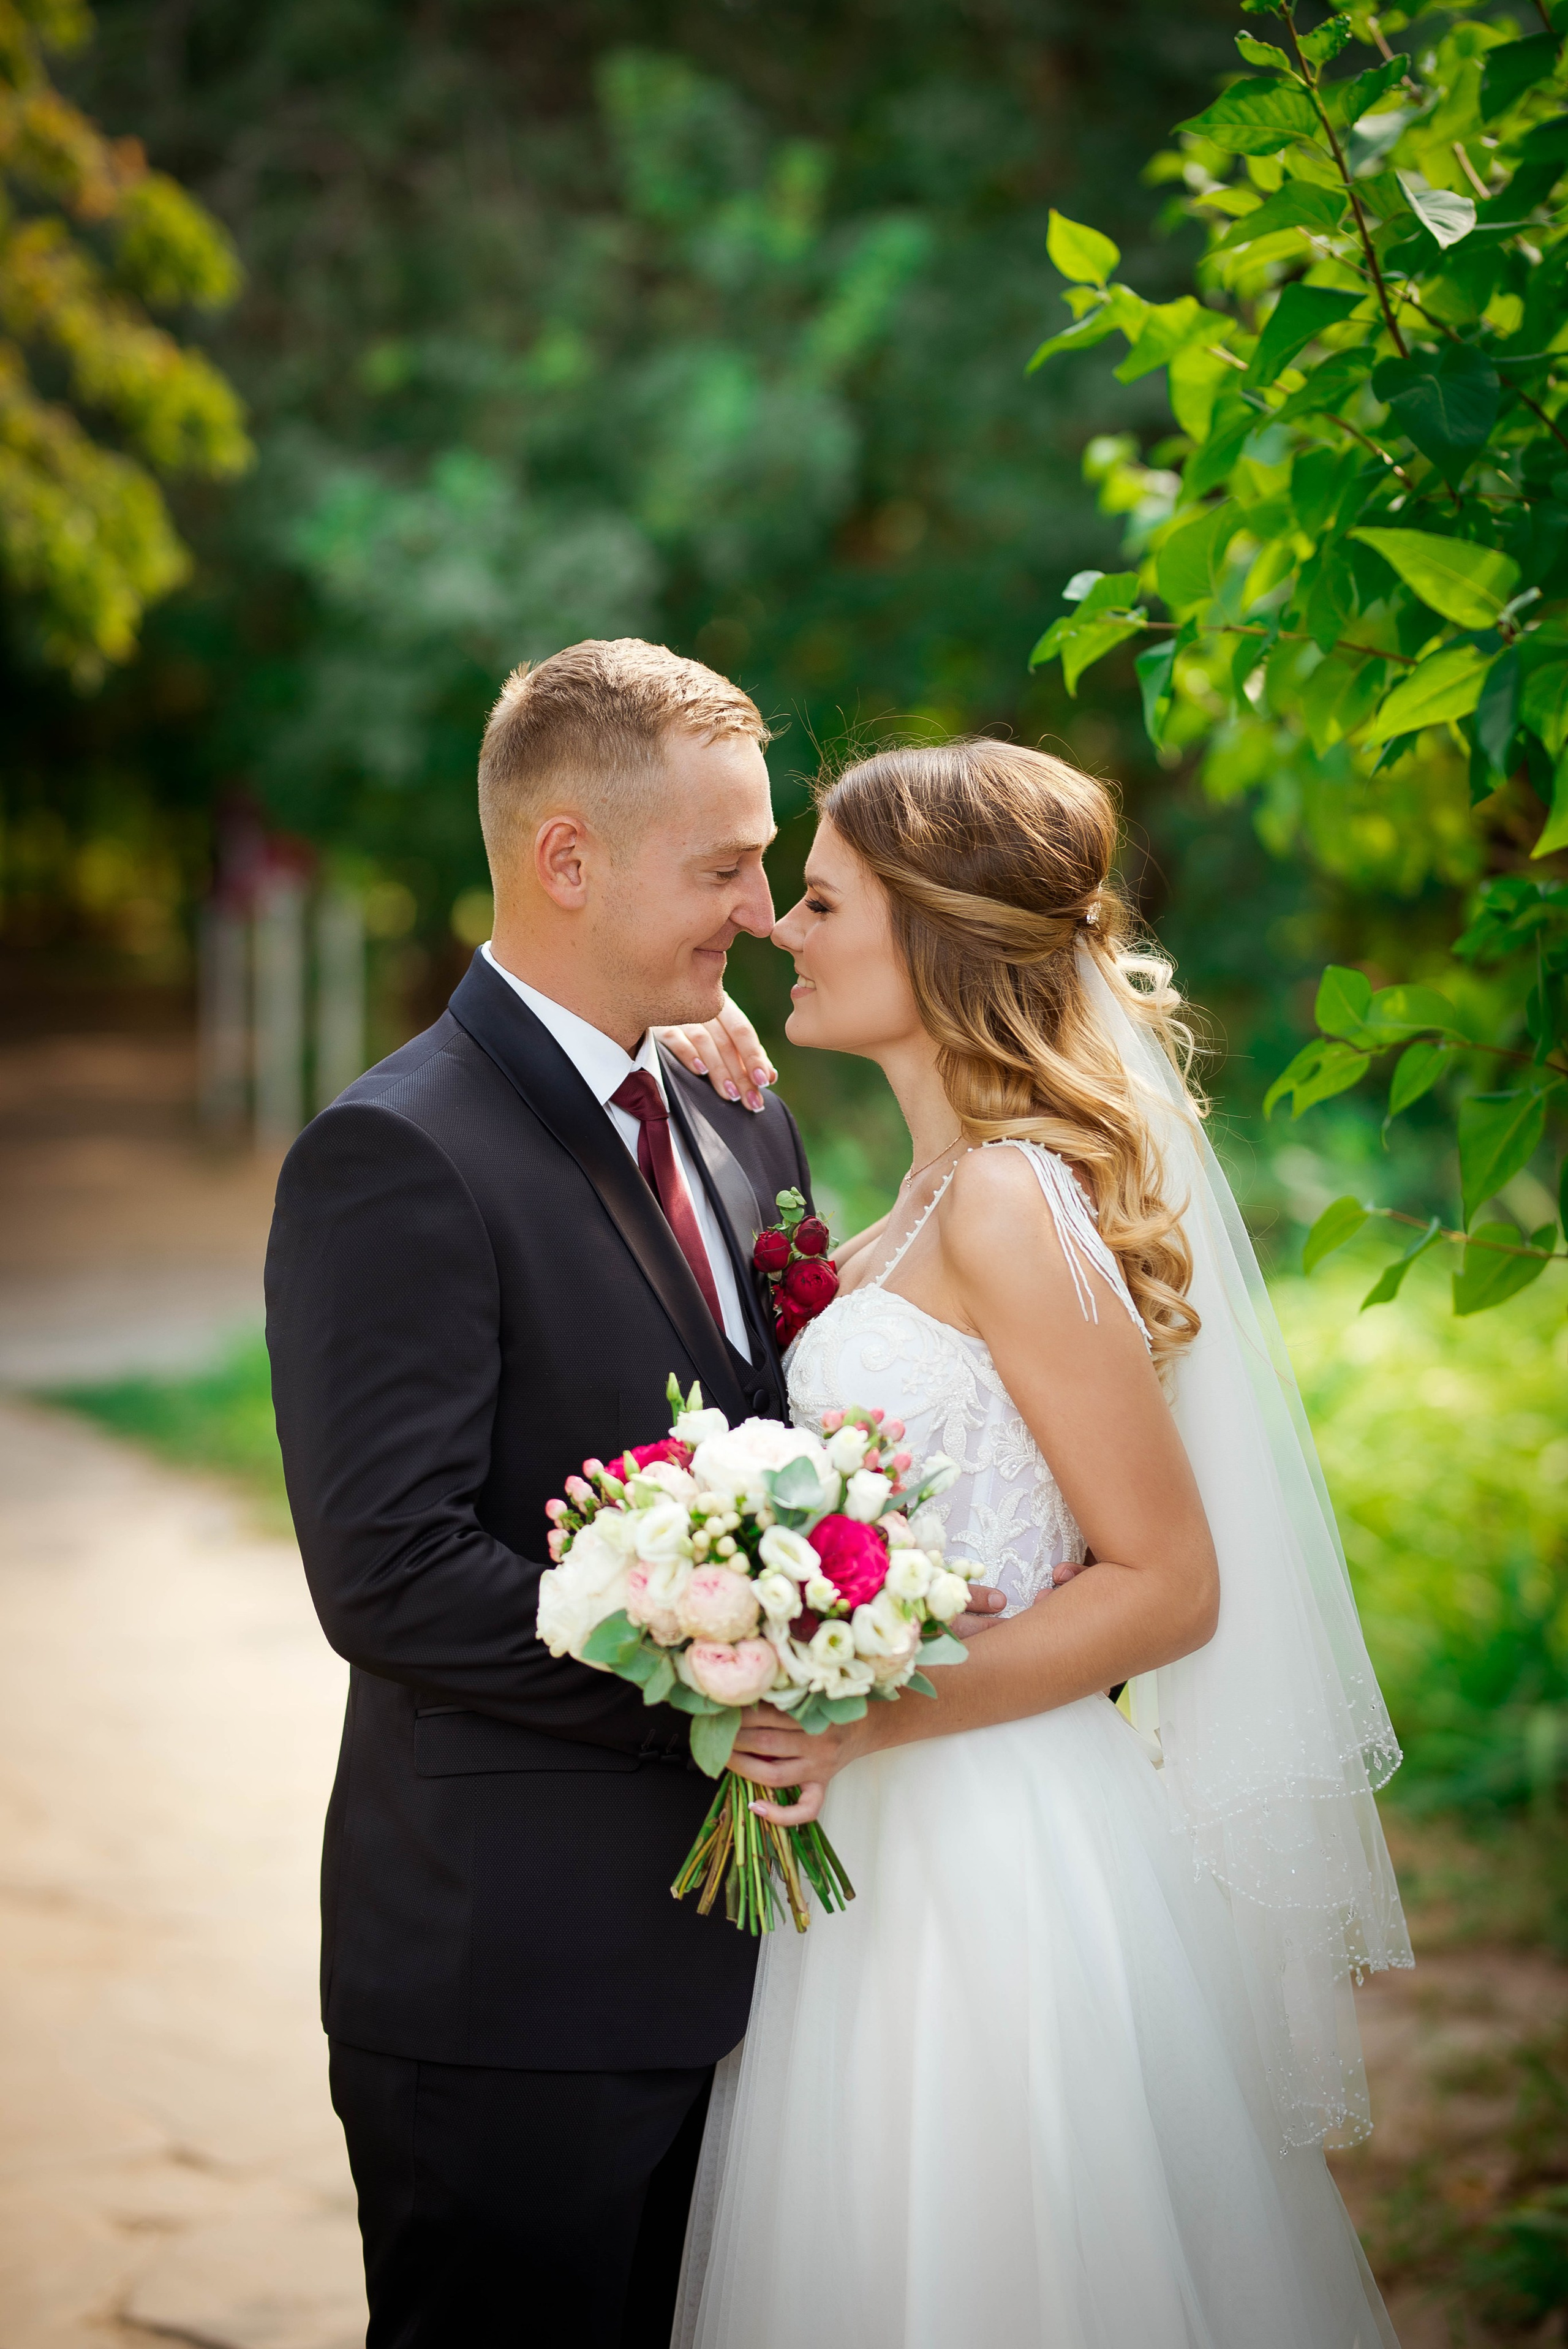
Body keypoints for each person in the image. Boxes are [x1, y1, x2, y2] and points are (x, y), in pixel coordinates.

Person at [657, 739, 1412, 2349]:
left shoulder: (1006, 1200)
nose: (785, 928)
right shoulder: (928, 1200)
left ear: (934, 935)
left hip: (987, 1842)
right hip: (883, 1842)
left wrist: (874, 1708)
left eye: (820, 898)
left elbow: (1170, 1581)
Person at [265, 639, 853, 2348]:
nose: (758, 906)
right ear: (567, 860)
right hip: (508, 1983)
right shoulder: (398, 1152)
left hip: (760, 1984)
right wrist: (712, 1679)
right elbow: (388, 1568)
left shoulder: (743, 1118)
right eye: (725, 864)